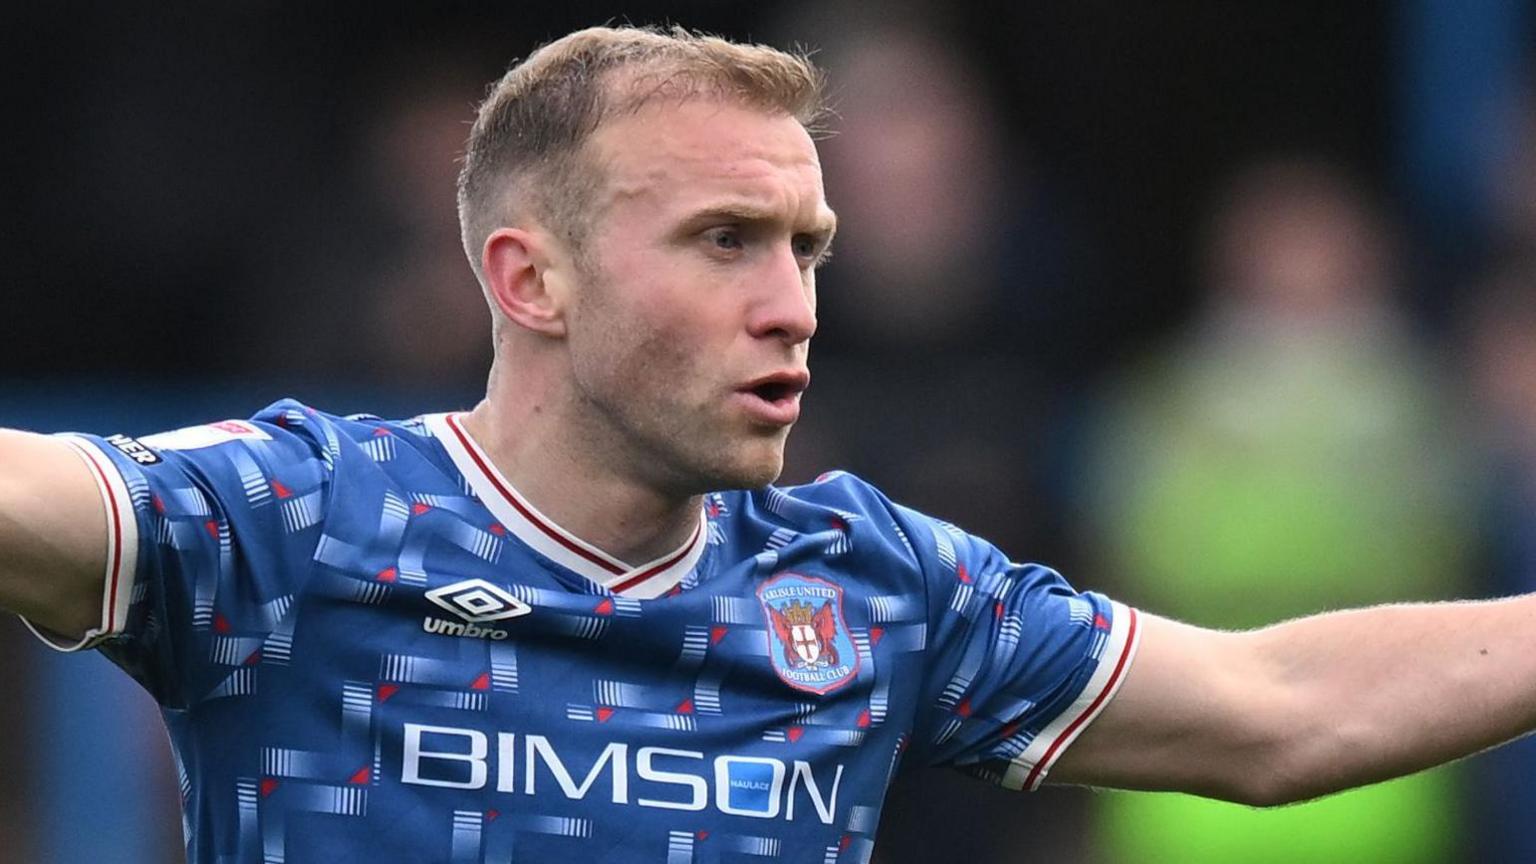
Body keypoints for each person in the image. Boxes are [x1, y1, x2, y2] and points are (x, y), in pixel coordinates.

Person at [1, 24, 1533, 863]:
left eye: (805, 245)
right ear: (529, 278)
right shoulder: (299, 520)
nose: (792, 304)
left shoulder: (866, 585)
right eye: (726, 240)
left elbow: (1276, 710)